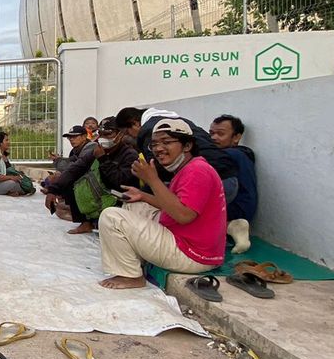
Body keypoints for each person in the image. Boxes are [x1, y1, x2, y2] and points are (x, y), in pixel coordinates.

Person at [97, 119, 227, 289]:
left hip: (193, 255)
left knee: (111, 217)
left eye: (166, 142)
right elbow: (174, 205)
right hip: (186, 240)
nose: (158, 149)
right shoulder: (189, 167)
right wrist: (142, 195)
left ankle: (130, 276)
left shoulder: (197, 171)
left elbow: (183, 216)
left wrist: (152, 180)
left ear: (187, 146)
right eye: (155, 144)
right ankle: (135, 260)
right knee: (134, 206)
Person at [209, 114, 258, 254]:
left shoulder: (226, 156)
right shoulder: (242, 153)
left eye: (220, 134)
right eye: (211, 133)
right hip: (244, 207)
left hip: (235, 208)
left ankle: (229, 226)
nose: (214, 138)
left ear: (236, 137)